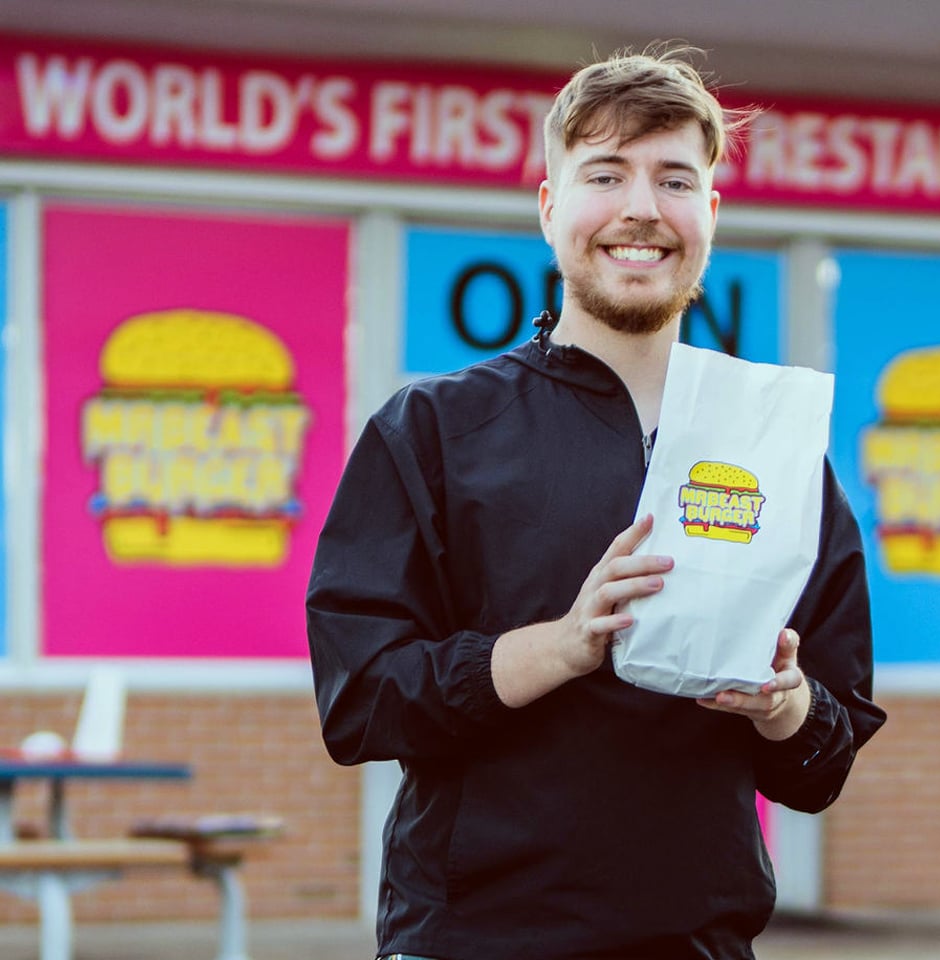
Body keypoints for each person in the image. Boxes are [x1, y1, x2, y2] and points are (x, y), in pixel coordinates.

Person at [307, 43, 886, 960]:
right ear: (549, 208)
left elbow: (824, 757)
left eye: (674, 180)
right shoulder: (433, 429)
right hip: (472, 939)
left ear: (710, 214)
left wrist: (783, 702)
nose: (641, 210)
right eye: (605, 174)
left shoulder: (772, 444)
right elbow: (360, 702)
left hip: (698, 939)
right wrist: (564, 646)